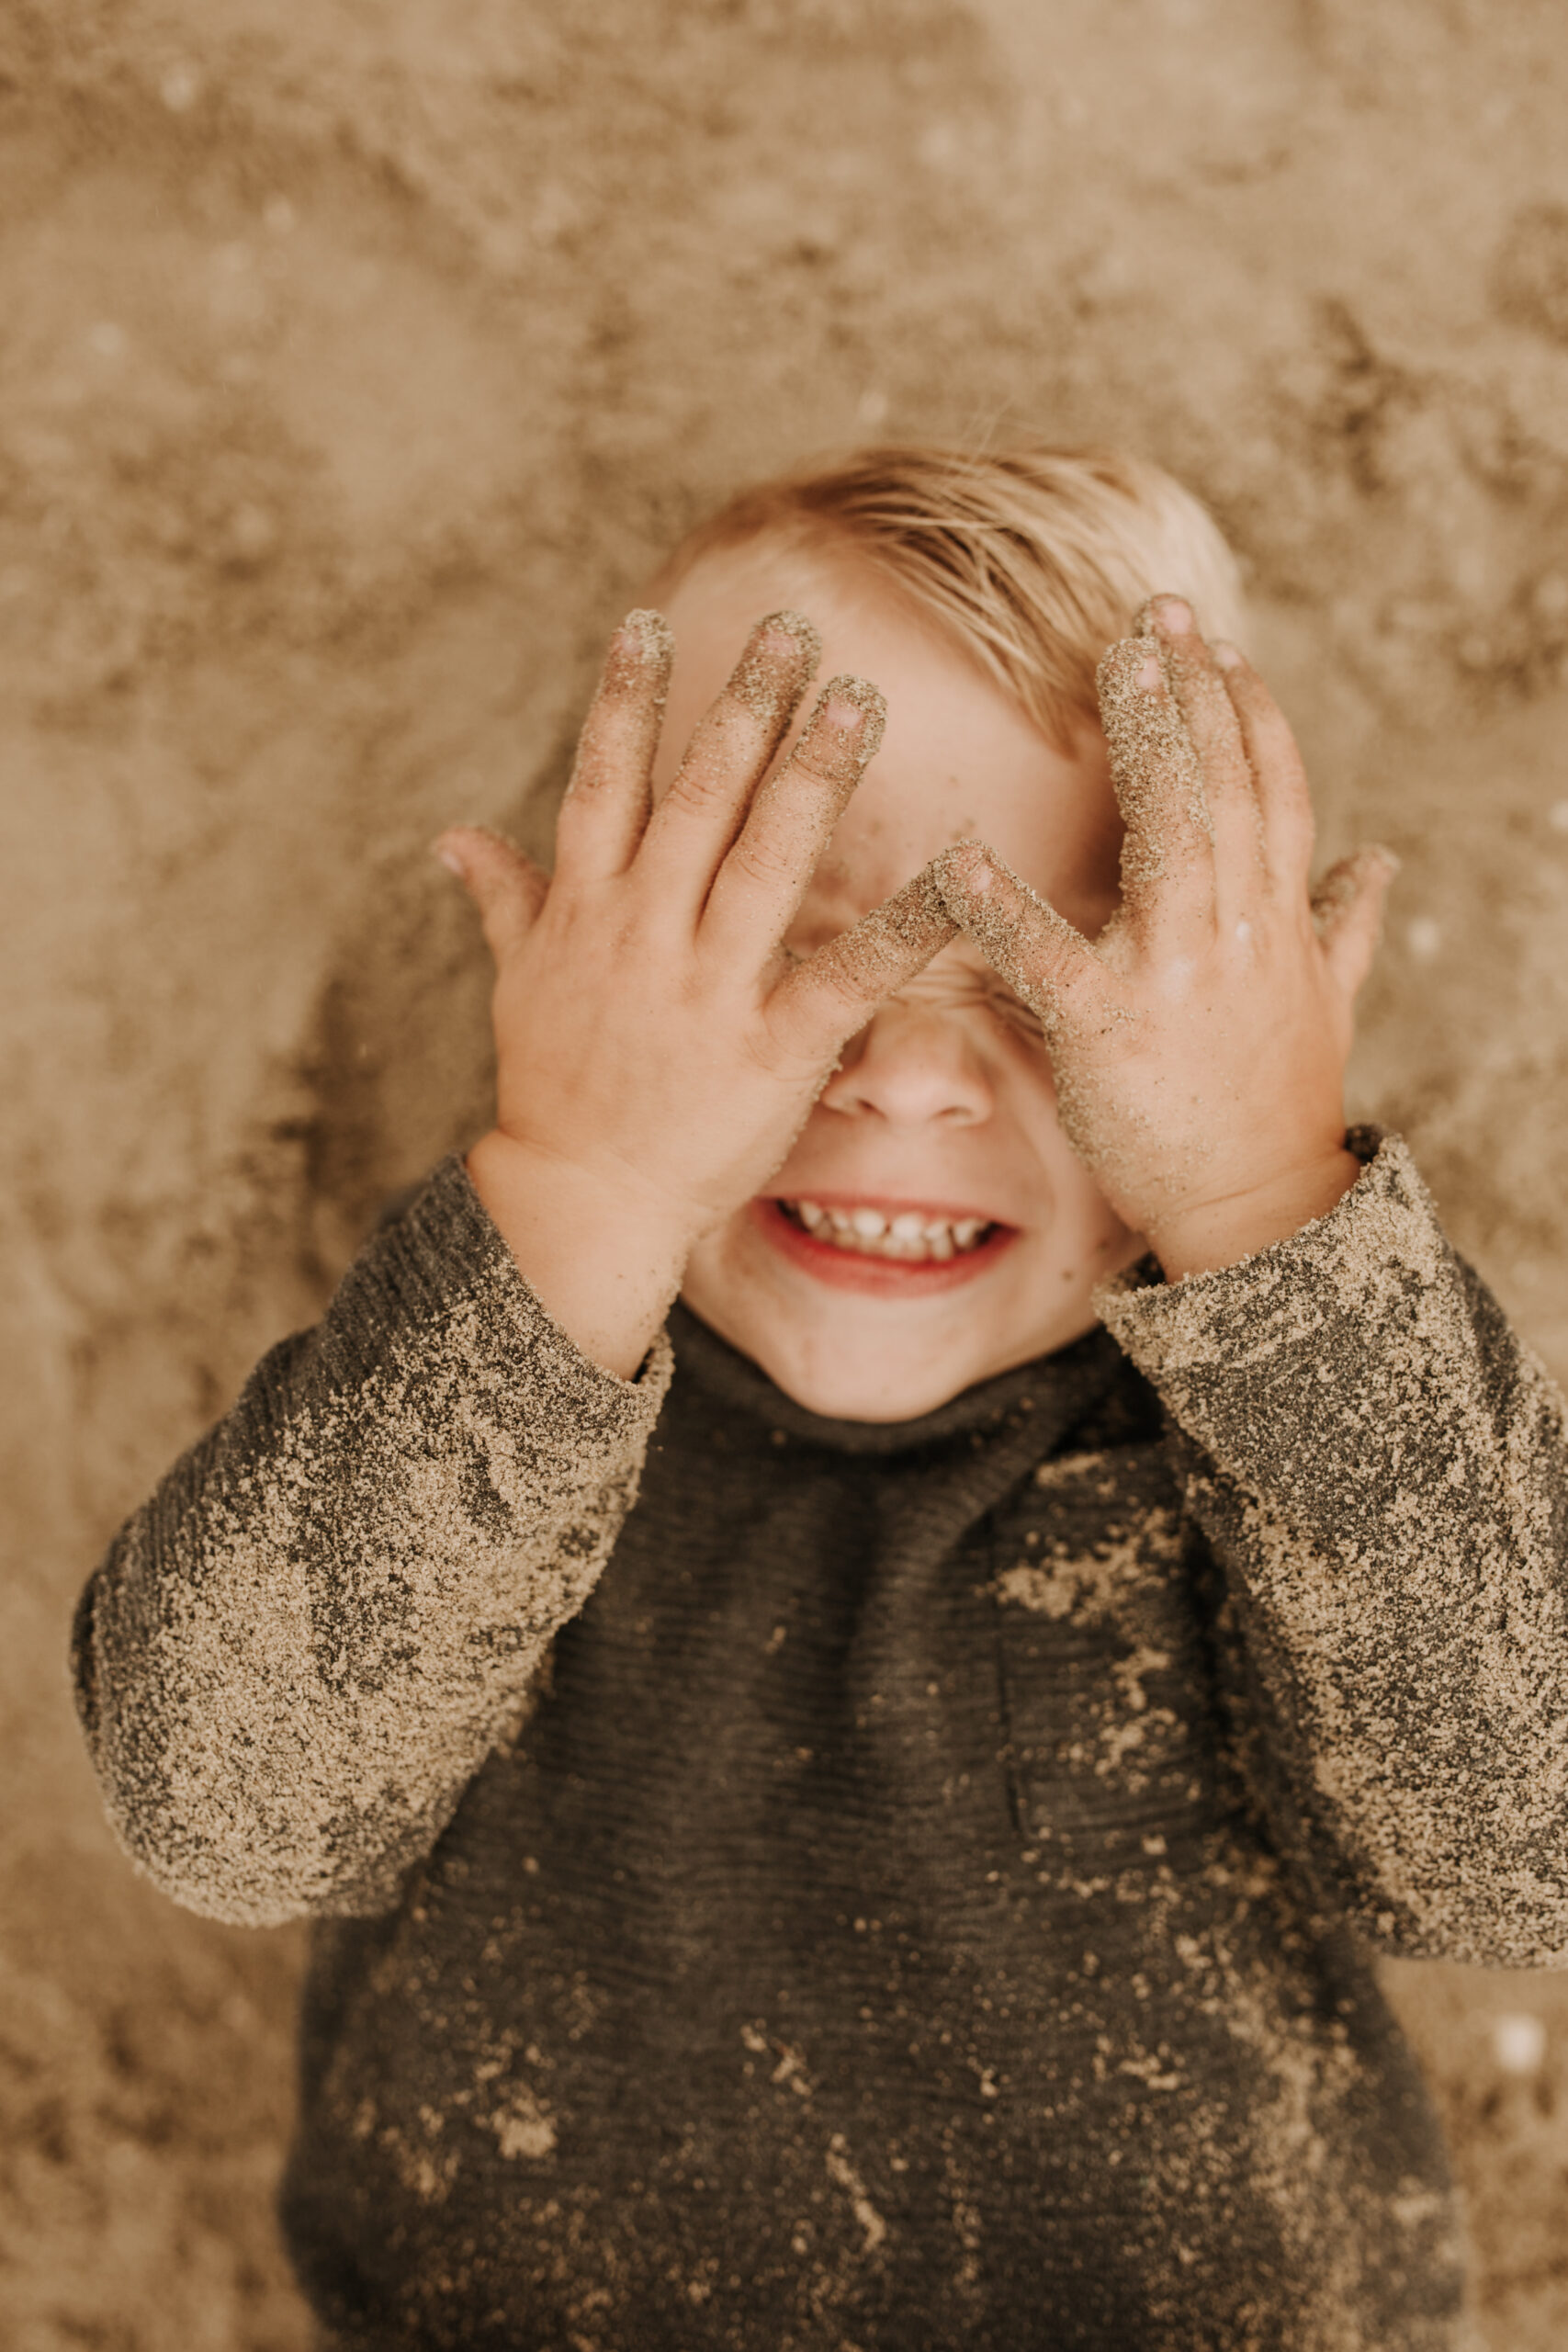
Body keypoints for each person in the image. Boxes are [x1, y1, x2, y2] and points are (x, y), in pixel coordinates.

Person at [71, 443, 1565, 2351]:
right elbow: (224, 1802)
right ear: (567, 974)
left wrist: (1266, 1209)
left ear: (1260, 1017)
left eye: (1061, 970)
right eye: (776, 935)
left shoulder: (1298, 1428)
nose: (910, 1074)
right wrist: (581, 1190)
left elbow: (1524, 1840)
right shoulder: (469, 1388)